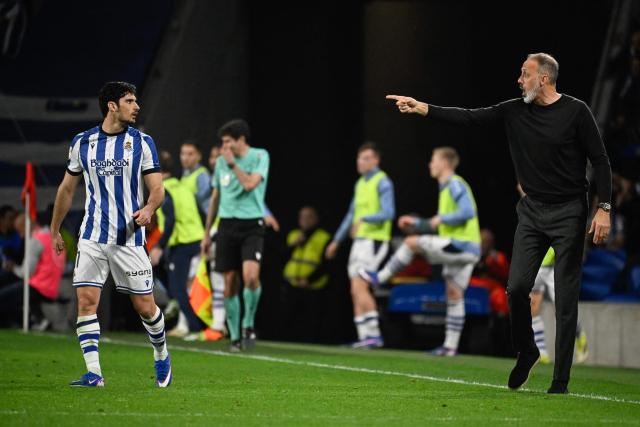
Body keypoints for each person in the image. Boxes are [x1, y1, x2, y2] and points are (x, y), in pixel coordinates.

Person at [386, 52, 612, 394]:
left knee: (566, 298)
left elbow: (601, 160)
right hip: (532, 212)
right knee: (517, 287)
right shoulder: (514, 110)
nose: (519, 80)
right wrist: (422, 108)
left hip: (569, 212)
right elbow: (469, 118)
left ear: (544, 79)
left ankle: (560, 381)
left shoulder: (576, 111)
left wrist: (604, 208)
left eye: (525, 74)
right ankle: (528, 350)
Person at [49, 81, 172, 387]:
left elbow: (157, 189)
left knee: (145, 307)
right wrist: (55, 229)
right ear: (112, 106)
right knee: (86, 302)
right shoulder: (82, 142)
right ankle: (94, 373)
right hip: (91, 236)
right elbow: (66, 189)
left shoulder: (143, 142)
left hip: (128, 237)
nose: (137, 106)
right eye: (130, 101)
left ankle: (161, 353)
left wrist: (149, 209)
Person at [360, 147, 480, 356]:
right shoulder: (446, 188)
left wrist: (438, 220)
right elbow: (436, 224)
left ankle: (380, 277)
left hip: (462, 245)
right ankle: (450, 347)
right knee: (454, 294)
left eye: (433, 160)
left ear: (444, 163)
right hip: (466, 248)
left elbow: (468, 212)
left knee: (410, 243)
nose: (430, 164)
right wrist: (416, 223)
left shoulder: (454, 183)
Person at [201, 119, 270, 352]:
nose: (224, 148)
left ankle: (248, 324)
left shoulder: (260, 156)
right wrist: (207, 233)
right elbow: (215, 197)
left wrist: (233, 165)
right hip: (227, 224)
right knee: (229, 282)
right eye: (222, 143)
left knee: (251, 277)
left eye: (228, 142)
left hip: (252, 223)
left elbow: (250, 184)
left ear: (241, 140)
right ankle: (234, 336)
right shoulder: (221, 162)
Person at [325, 142, 395, 349]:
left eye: (365, 158)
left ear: (375, 160)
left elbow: (388, 213)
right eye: (359, 157)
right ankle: (365, 336)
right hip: (359, 242)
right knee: (354, 289)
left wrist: (365, 220)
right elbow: (350, 216)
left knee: (360, 285)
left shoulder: (383, 182)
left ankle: (374, 335)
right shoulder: (360, 183)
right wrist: (336, 241)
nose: (360, 162)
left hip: (375, 241)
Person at [151, 151, 222, 341]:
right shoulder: (182, 187)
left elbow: (172, 220)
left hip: (183, 243)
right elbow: (199, 211)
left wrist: (159, 246)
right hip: (196, 240)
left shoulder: (164, 190)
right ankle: (183, 313)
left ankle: (195, 326)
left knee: (178, 287)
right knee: (183, 285)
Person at [0, 213, 65, 326]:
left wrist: (12, 267)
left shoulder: (35, 241)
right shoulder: (55, 237)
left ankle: (28, 323)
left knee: (3, 297)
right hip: (54, 287)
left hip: (39, 288)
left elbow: (26, 273)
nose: (21, 236)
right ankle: (36, 318)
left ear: (27, 226)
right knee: (13, 288)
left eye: (20, 231)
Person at [283, 206, 332, 342]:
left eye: (308, 217)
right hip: (292, 284)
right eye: (302, 217)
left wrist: (309, 279)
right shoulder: (293, 235)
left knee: (311, 321)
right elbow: (281, 257)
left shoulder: (324, 237)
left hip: (314, 287)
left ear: (316, 219)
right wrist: (294, 245)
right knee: (289, 318)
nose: (304, 220)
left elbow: (327, 264)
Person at [180, 141, 211, 217]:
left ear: (199, 156)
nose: (185, 158)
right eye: (182, 153)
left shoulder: (202, 175)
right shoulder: (185, 174)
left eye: (190, 154)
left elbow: (205, 203)